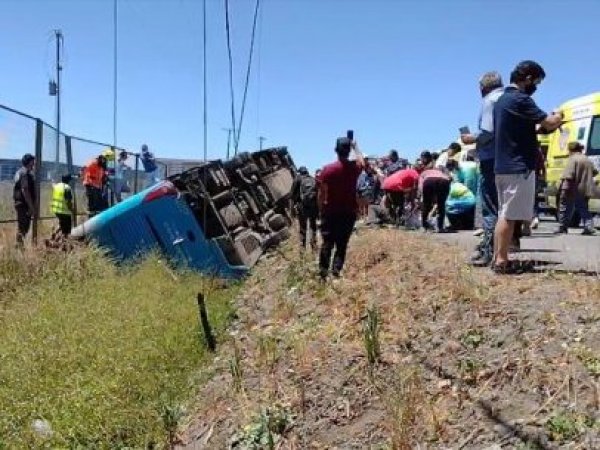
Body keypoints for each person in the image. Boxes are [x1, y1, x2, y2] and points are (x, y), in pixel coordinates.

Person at [491, 60, 563, 273]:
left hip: (503, 165)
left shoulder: (502, 100)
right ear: (528, 78)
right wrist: (559, 115)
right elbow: (549, 122)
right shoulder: (521, 99)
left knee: (504, 213)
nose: (536, 87)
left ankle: (499, 257)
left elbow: (522, 131)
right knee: (510, 215)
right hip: (518, 167)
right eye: (537, 82)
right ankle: (502, 262)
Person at [318, 136, 365, 279]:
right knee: (342, 244)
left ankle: (323, 274)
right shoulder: (354, 168)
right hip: (348, 212)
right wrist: (356, 147)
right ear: (348, 151)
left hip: (330, 212)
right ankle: (336, 272)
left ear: (335, 150)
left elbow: (321, 194)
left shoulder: (327, 170)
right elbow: (362, 162)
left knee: (327, 243)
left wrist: (321, 211)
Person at [556, 142, 597, 235]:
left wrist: (563, 189)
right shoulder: (586, 159)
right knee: (583, 208)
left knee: (565, 208)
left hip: (572, 188)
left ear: (570, 150)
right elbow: (595, 172)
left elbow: (569, 175)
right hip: (586, 188)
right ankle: (589, 227)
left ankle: (563, 227)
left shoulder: (572, 159)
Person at [291, 166, 319, 250]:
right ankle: (314, 248)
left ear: (300, 172)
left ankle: (302, 250)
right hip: (313, 207)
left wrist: (292, 208)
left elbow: (291, 195)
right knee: (312, 227)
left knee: (303, 228)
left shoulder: (297, 179)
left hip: (302, 207)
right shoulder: (313, 179)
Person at [13, 153, 36, 246]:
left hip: (23, 204)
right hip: (23, 204)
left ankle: (19, 246)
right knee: (23, 227)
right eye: (32, 161)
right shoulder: (24, 173)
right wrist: (31, 207)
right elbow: (25, 190)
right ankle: (18, 247)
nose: (34, 163)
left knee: (24, 227)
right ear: (29, 162)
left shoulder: (21, 172)